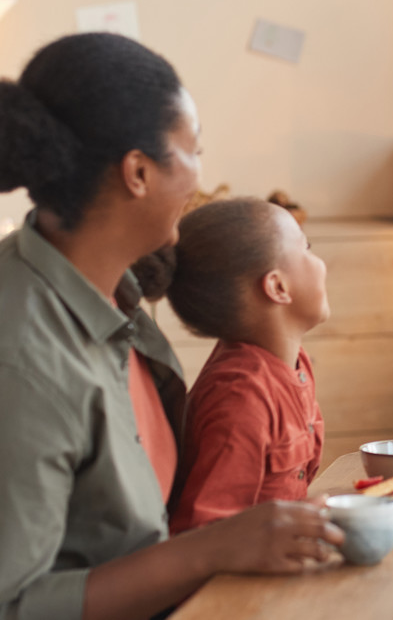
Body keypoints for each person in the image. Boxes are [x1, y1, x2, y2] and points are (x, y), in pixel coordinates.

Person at [0, 34, 342, 620]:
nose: (201, 176)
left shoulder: (120, 295)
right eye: (195, 151)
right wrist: (209, 549)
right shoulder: (26, 363)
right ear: (138, 172)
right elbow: (18, 603)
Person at [134, 197, 329, 533]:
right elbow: (204, 532)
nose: (321, 262)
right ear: (277, 287)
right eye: (306, 247)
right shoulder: (242, 397)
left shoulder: (295, 367)